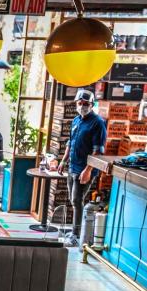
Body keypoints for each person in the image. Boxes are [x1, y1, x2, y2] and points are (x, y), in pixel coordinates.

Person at [55, 89, 106, 246]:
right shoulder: (76, 121)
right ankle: (75, 230)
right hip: (72, 166)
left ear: (91, 105)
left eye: (86, 104)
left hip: (85, 169)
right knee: (73, 199)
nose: (82, 106)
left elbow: (98, 151)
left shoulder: (97, 123)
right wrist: (63, 161)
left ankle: (76, 235)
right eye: (80, 103)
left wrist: (88, 171)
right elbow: (71, 143)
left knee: (77, 200)